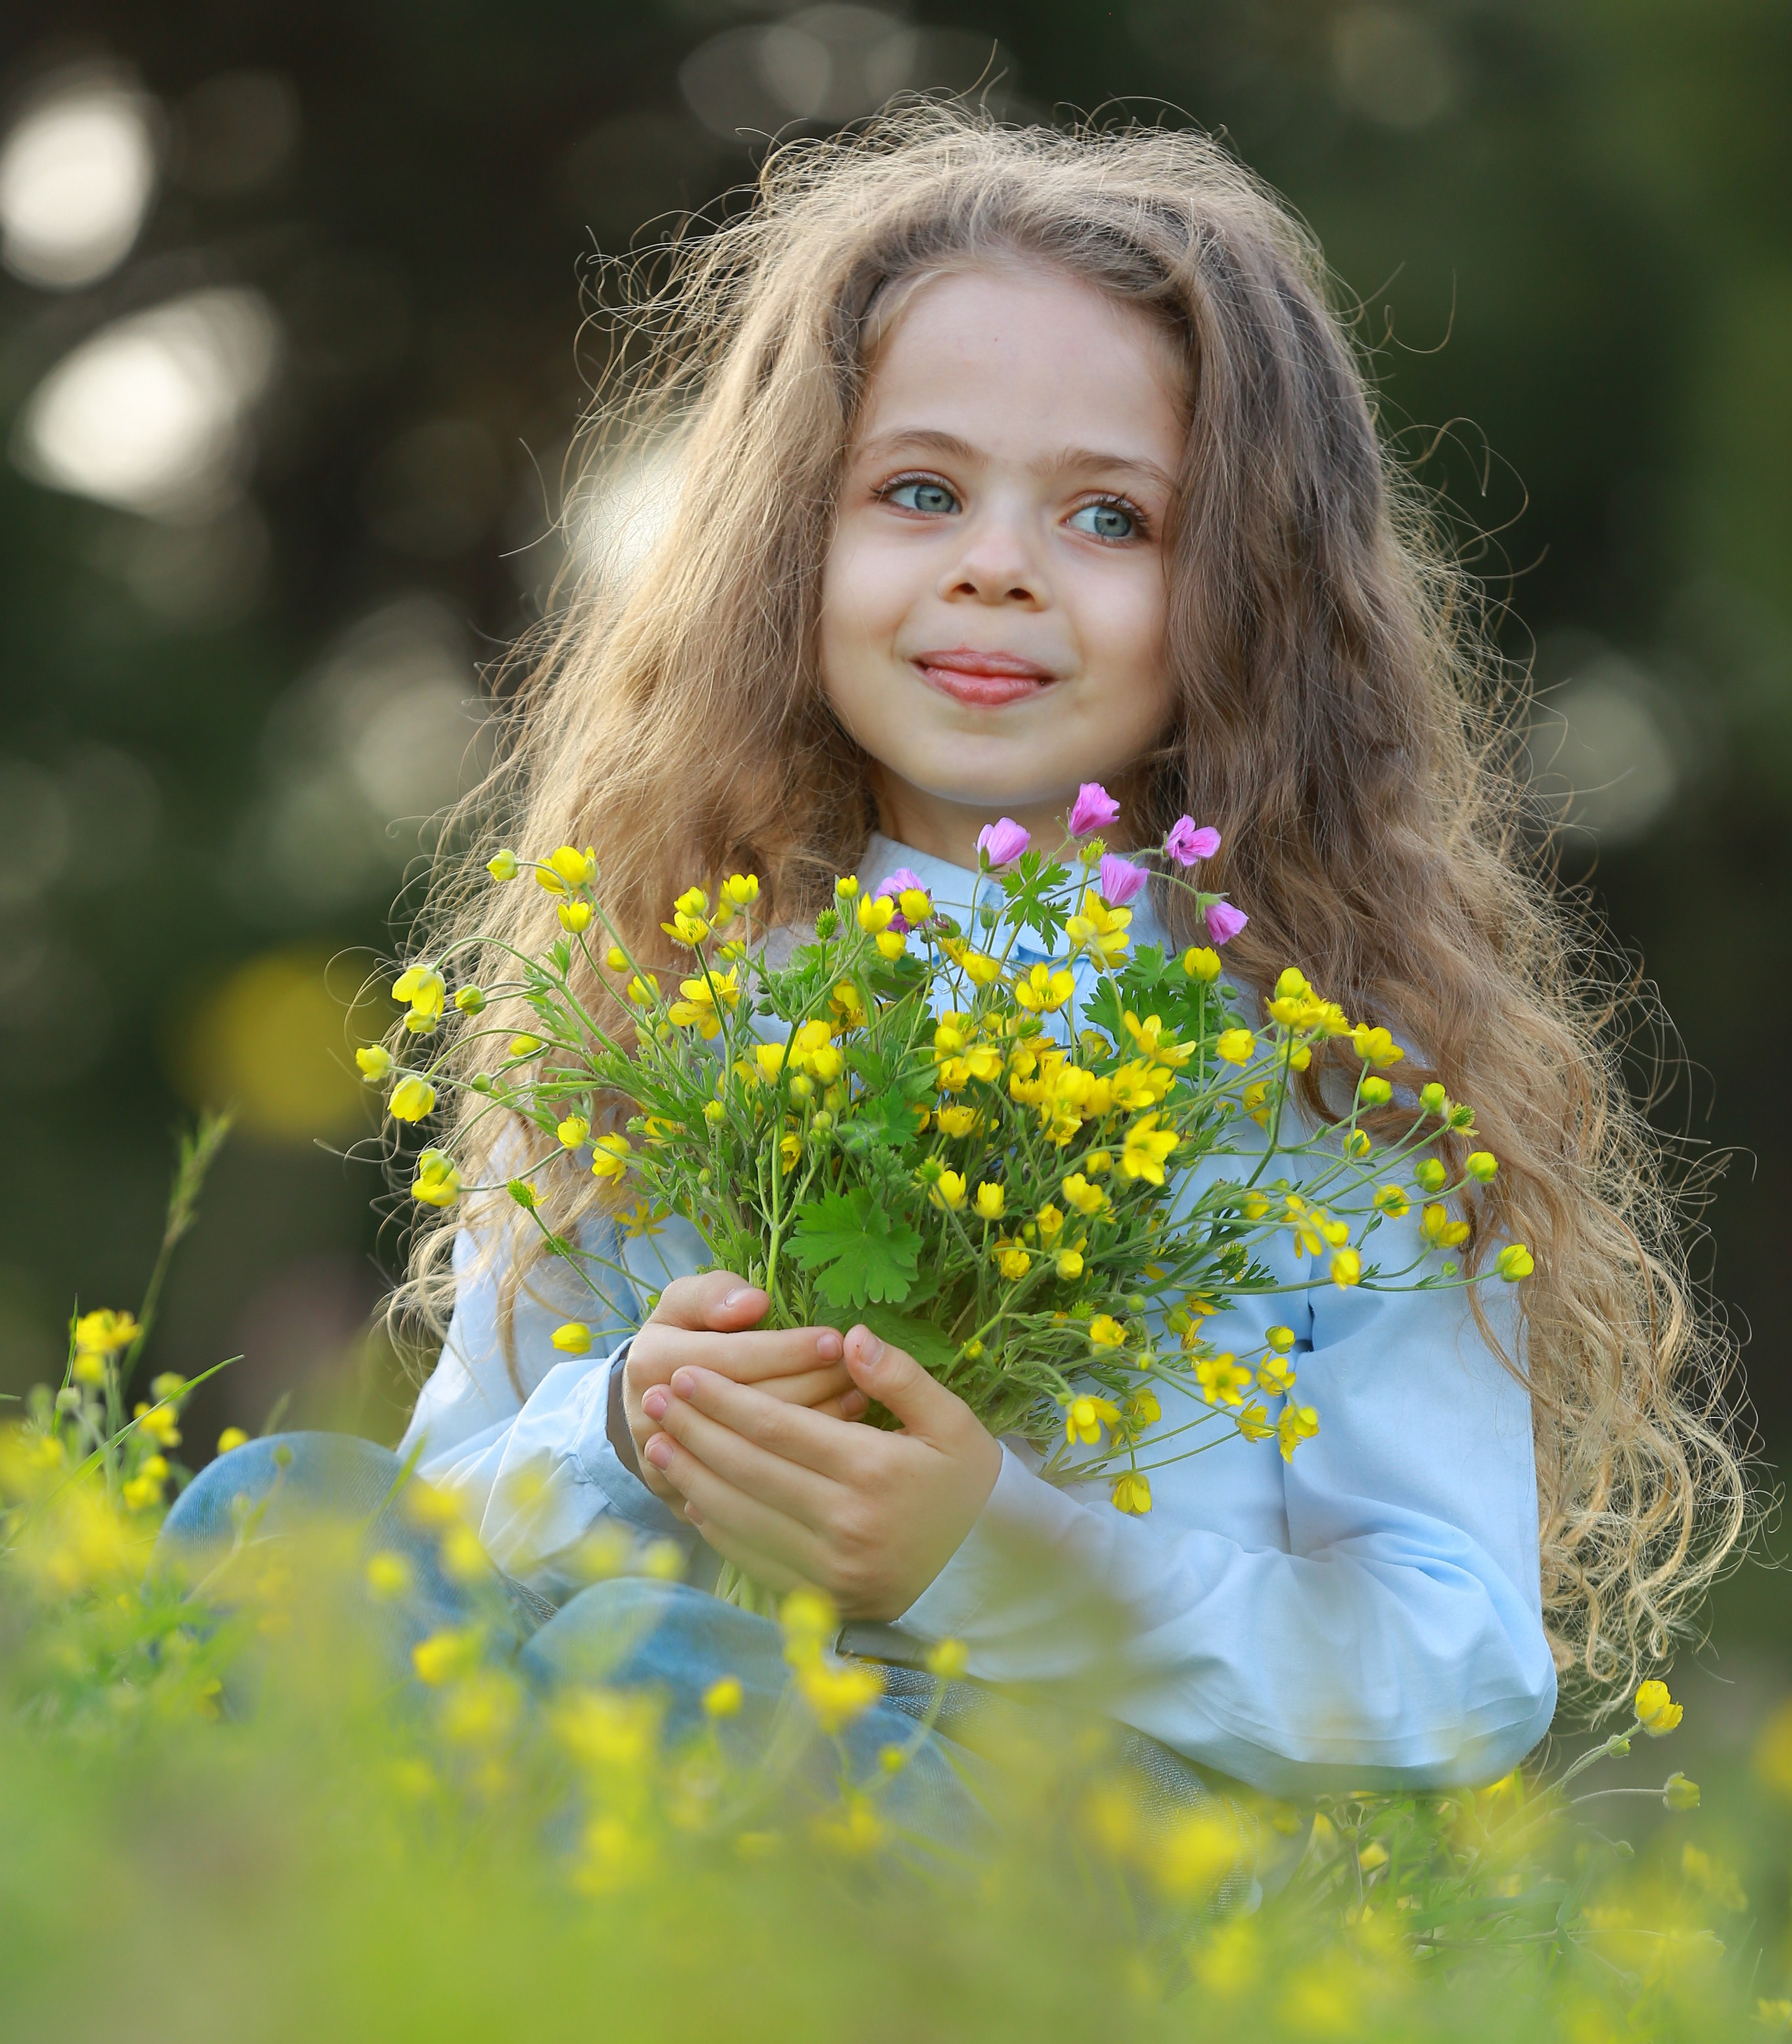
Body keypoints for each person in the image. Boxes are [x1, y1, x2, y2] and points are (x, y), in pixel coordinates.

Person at [165, 108, 1745, 1803]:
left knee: (684, 1675)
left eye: (1110, 520)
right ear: (792, 541)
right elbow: (447, 1523)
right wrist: (623, 1425)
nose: (994, 566)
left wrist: (988, 1556)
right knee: (275, 1519)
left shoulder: (1316, 1063)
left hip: (1039, 1849)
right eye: (919, 491)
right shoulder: (664, 988)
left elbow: (1455, 1667)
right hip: (606, 1747)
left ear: (1247, 586)